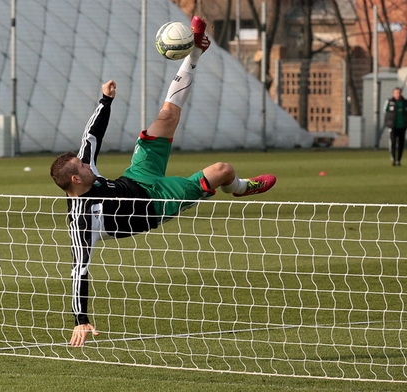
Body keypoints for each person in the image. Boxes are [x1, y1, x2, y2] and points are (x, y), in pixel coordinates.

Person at [50, 16, 276, 347]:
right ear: (74, 178)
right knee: (223, 171)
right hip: (157, 205)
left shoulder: (86, 170)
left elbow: (91, 136)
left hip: (138, 175)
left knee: (166, 115)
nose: (86, 164)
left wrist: (105, 101)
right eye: (81, 166)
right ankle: (242, 188)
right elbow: (78, 270)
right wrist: (81, 319)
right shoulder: (82, 220)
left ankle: (195, 51)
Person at [383, 87, 407, 166]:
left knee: (401, 143)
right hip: (393, 126)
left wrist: (406, 123)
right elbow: (385, 111)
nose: (398, 94)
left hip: (402, 126)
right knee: (393, 143)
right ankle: (393, 159)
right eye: (396, 93)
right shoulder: (389, 101)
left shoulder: (405, 102)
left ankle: (399, 160)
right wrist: (388, 123)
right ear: (393, 93)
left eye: (399, 93)